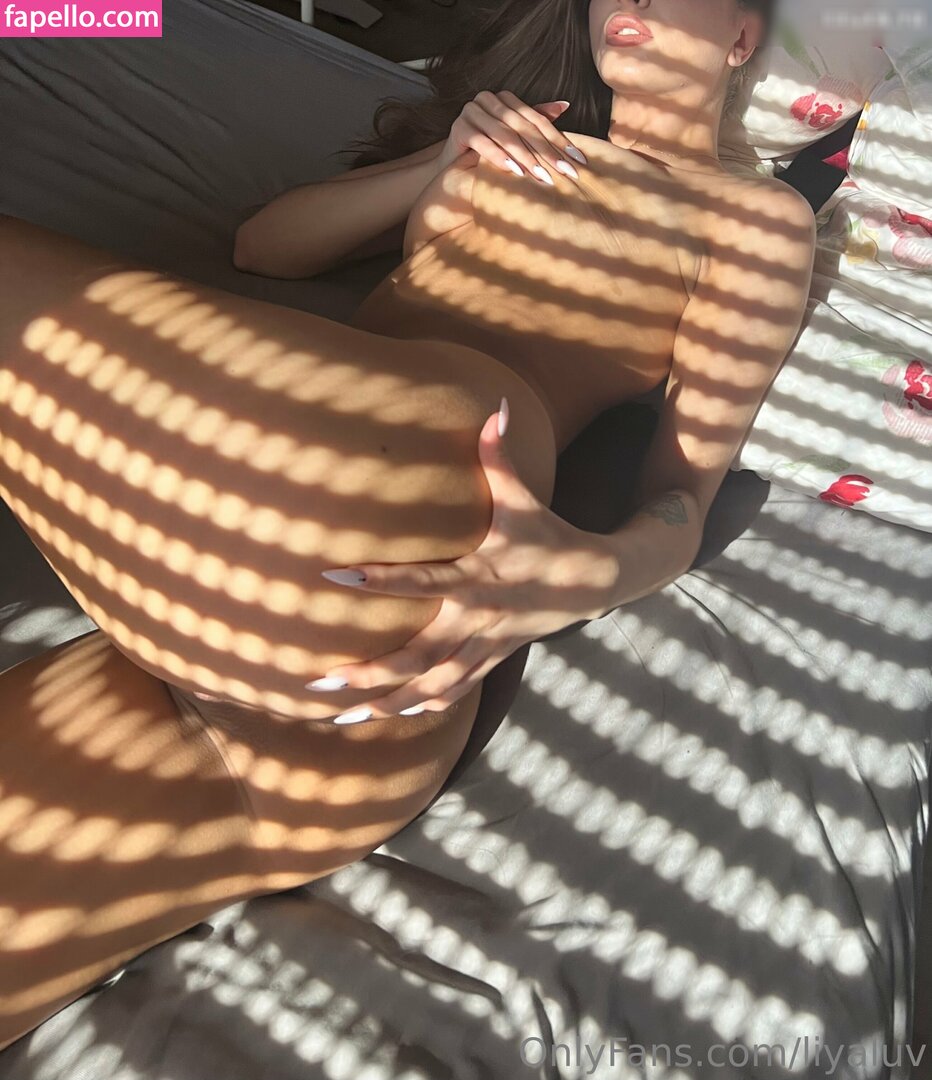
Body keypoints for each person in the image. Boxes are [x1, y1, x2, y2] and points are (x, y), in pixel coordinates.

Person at [0, 0, 814, 1051]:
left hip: (399, 562)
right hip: (294, 671)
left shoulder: (752, 218)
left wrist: (590, 571)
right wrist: (438, 162)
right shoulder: (518, 137)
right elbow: (265, 247)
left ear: (741, 40)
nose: (636, 2)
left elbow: (683, 495)